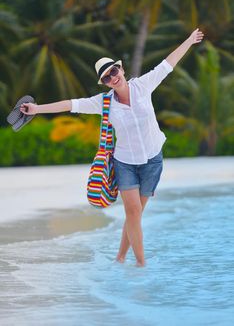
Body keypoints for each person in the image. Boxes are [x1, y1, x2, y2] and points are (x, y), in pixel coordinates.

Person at [20, 28, 204, 267]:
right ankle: (141, 265)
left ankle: (120, 258)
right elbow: (71, 104)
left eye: (113, 72)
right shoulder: (103, 102)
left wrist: (189, 40)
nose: (112, 78)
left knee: (135, 215)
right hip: (125, 162)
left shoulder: (143, 86)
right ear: (104, 82)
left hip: (152, 160)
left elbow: (168, 64)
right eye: (106, 77)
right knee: (133, 213)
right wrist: (37, 109)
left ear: (121, 69)